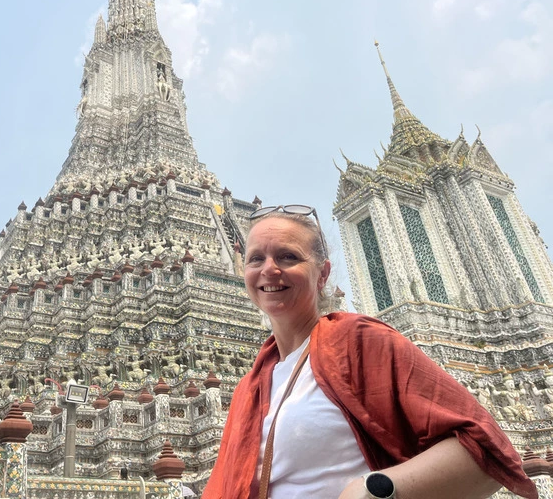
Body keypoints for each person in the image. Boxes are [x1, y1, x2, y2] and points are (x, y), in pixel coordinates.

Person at [203, 205, 537, 499]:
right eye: (255, 259)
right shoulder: (251, 386)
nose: (269, 269)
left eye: (288, 256)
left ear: (323, 274)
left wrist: (374, 489)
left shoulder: (357, 341)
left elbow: (484, 448)